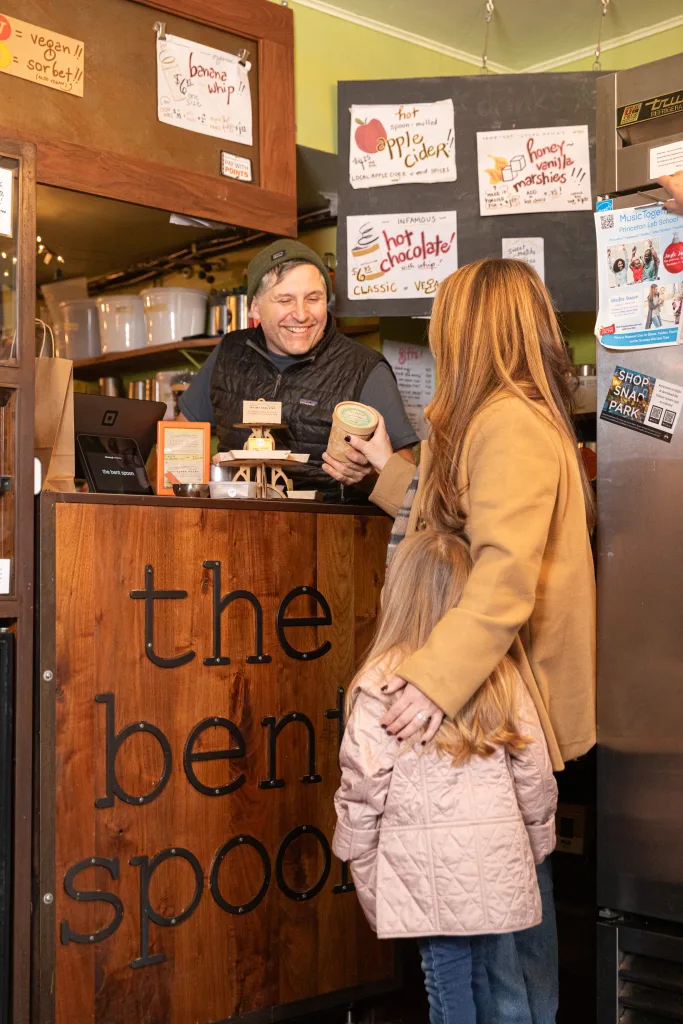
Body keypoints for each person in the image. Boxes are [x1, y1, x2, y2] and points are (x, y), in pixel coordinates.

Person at [326, 258, 596, 1023]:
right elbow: (451, 520)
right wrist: (385, 467)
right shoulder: (505, 415)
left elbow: (502, 573)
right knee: (515, 903)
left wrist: (431, 681)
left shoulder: (506, 423)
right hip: (505, 695)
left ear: (467, 329)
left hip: (503, 695)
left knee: (505, 937)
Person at [333, 529, 558, 1024]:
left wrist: (355, 857)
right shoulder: (499, 674)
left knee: (447, 981)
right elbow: (535, 773)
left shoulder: (381, 683)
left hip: (425, 875)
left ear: (395, 593)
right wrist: (538, 841)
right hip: (494, 863)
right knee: (484, 974)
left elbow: (363, 789)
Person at [177, 239, 417, 501]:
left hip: (331, 534)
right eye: (285, 300)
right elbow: (180, 439)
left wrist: (366, 479)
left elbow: (408, 484)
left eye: (313, 298)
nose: (301, 315)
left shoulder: (364, 368)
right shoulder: (230, 352)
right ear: (255, 306)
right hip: (232, 529)